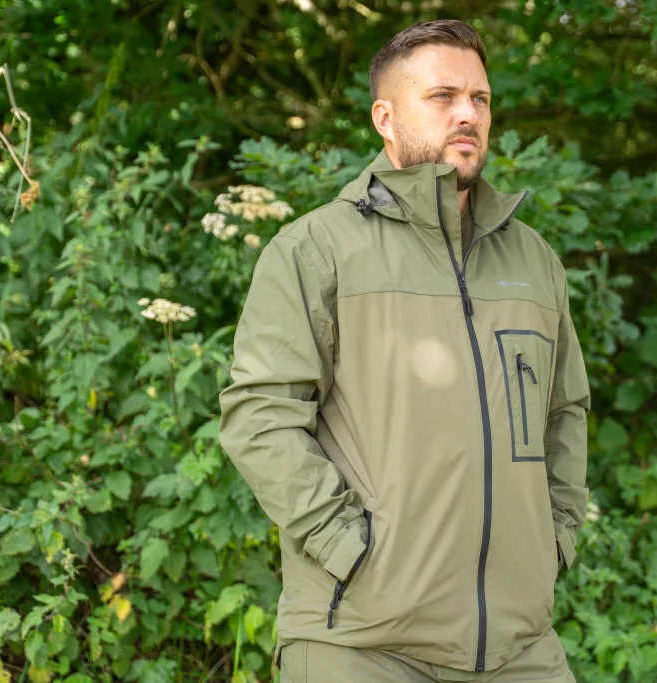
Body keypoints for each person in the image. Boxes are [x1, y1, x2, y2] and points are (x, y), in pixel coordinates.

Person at [219, 19, 590, 683]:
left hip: (521, 646)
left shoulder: (535, 261)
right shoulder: (316, 251)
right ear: (384, 119)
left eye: (479, 98)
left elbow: (565, 412)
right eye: (443, 96)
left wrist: (554, 537)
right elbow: (260, 416)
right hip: (362, 642)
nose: (468, 114)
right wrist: (347, 548)